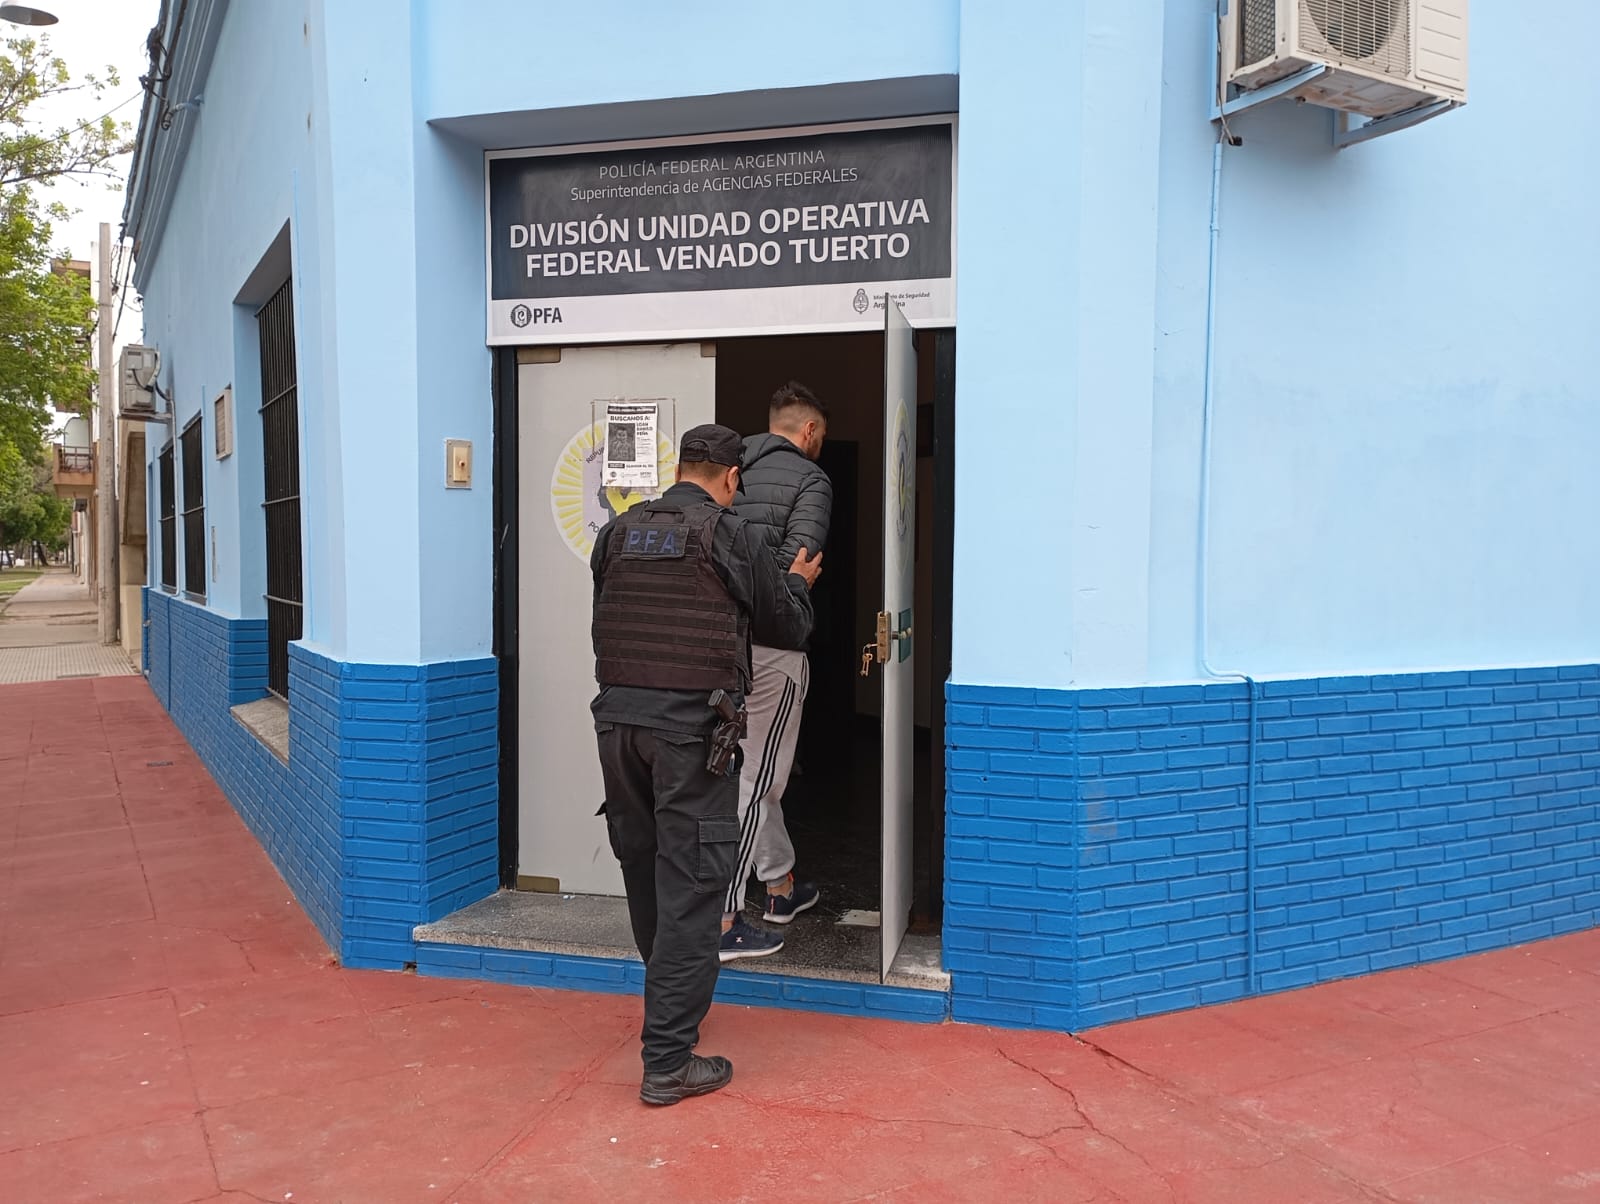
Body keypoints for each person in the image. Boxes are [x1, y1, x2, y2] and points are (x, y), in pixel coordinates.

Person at [590, 423, 822, 1106]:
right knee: (694, 887)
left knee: (646, 871)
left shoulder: (618, 533)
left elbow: (605, 623)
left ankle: (670, 1003)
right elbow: (786, 626)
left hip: (618, 727)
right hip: (689, 734)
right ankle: (667, 1062)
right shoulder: (729, 533)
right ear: (728, 478)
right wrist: (797, 582)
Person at [718, 381, 833, 962]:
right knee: (757, 782)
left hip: (719, 647)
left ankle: (781, 885)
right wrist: (790, 596)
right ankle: (725, 916)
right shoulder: (812, 480)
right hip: (772, 649)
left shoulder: (729, 467)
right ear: (809, 431)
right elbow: (801, 564)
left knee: (752, 774)